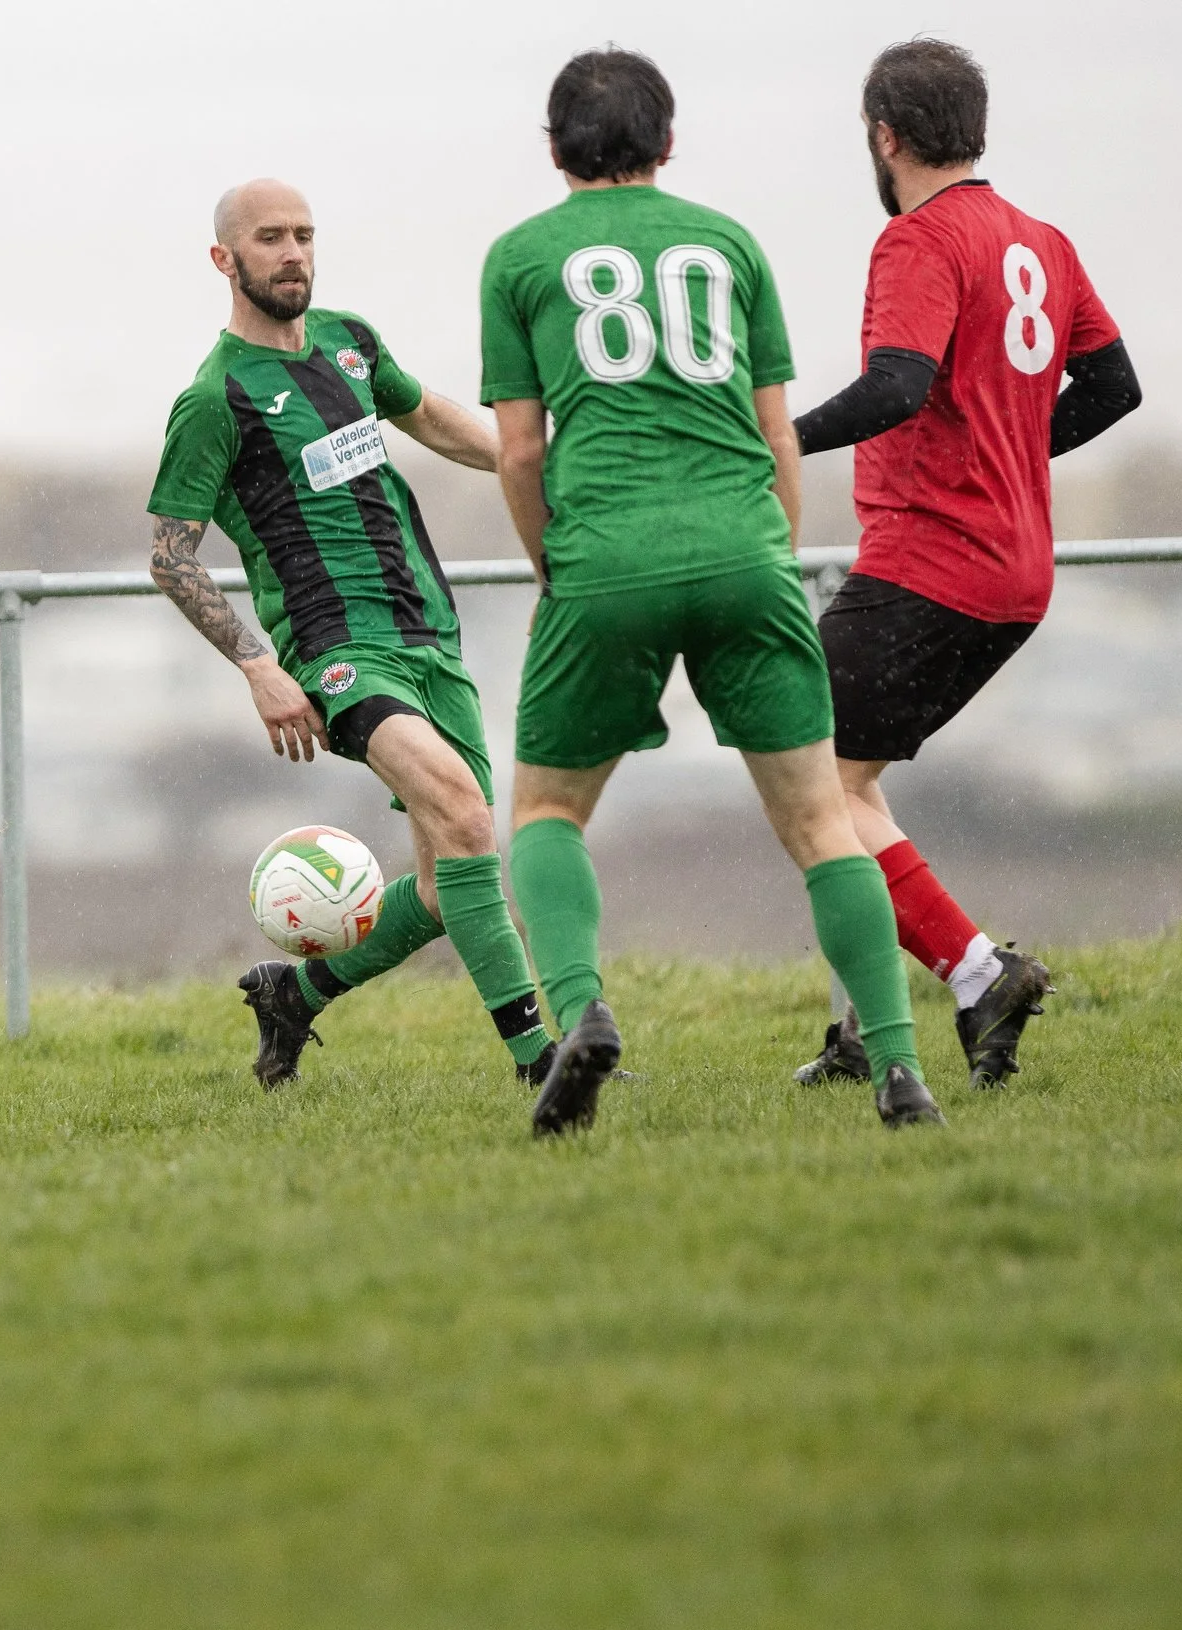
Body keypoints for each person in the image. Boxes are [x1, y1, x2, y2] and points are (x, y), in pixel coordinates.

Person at [483, 50, 940, 1135]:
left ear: (551, 150)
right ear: (669, 142)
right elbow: (778, 428)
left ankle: (583, 1012)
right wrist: (769, 549)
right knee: (822, 819)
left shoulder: (518, 257)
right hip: (745, 549)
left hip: (605, 560)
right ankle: (897, 1068)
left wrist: (556, 563)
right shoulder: (728, 242)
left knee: (546, 812)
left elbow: (514, 452)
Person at [147, 179, 553, 1097]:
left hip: (431, 633)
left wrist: (531, 457)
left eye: (304, 235)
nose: (293, 253)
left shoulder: (351, 343)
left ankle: (297, 994)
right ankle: (546, 1067)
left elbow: (431, 416)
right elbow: (171, 557)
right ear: (225, 260)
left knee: (455, 886)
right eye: (270, 239)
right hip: (337, 652)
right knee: (462, 813)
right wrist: (257, 665)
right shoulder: (214, 399)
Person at [790, 39, 1140, 1090]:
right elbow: (1113, 385)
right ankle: (867, 1033)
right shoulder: (1040, 239)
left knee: (804, 777)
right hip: (1013, 571)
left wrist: (773, 438)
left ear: (884, 136)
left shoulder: (916, 240)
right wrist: (1004, 448)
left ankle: (980, 972)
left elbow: (897, 387)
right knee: (846, 784)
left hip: (930, 562)